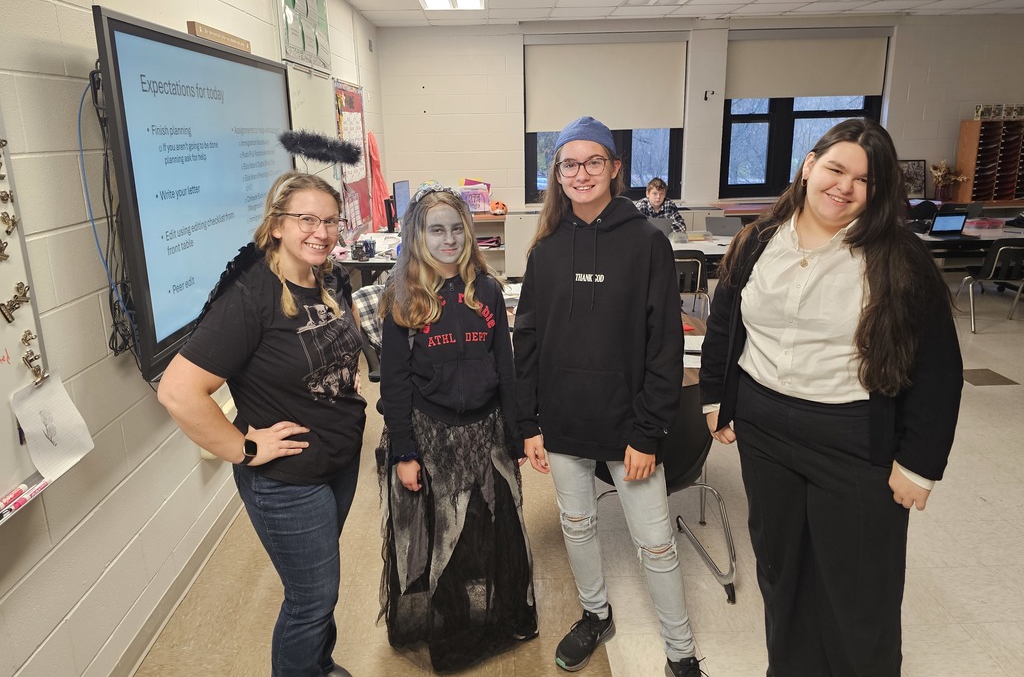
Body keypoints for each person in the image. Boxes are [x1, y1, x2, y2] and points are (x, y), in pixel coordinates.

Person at [700, 119, 963, 677]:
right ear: (809, 166)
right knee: (781, 570)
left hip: (854, 438)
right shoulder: (759, 240)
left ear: (879, 190)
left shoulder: (898, 258)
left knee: (860, 585)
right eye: (836, 168)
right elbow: (724, 319)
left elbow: (940, 369)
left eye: (863, 180)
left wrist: (919, 464)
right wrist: (715, 399)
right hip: (765, 429)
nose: (844, 186)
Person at [514, 117, 704, 677]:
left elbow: (665, 347)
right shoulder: (546, 248)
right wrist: (529, 423)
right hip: (564, 421)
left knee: (657, 544)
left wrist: (648, 432)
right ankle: (595, 614)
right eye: (568, 164)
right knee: (577, 525)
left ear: (615, 168)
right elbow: (526, 340)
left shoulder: (647, 244)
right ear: (557, 173)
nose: (581, 173)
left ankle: (681, 651)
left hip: (630, 429)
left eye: (592, 162)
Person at [158, 172, 365, 677]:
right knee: (310, 599)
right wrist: (245, 448)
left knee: (323, 584)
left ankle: (319, 664)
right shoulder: (250, 296)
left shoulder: (328, 276)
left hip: (337, 461)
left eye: (330, 221)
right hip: (287, 480)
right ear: (276, 226)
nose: (320, 232)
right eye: (306, 220)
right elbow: (178, 390)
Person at [376, 184, 537, 673]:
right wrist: (405, 452)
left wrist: (516, 433)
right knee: (441, 534)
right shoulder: (404, 296)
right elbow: (396, 385)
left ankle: (499, 616)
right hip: (431, 436)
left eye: (455, 229)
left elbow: (505, 367)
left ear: (468, 233)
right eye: (435, 230)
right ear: (418, 235)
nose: (448, 240)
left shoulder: (485, 289)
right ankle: (451, 622)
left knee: (490, 527)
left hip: (485, 431)